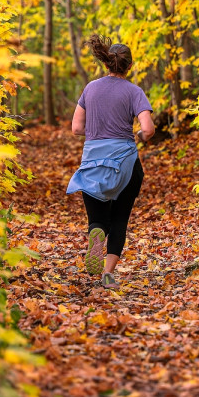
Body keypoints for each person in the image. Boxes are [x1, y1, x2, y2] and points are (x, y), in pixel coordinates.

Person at [66, 36, 156, 289]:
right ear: (129, 65)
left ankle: (96, 235)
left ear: (107, 63)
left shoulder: (90, 89)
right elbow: (148, 129)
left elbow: (76, 128)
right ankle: (108, 274)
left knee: (98, 218)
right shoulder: (134, 92)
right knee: (120, 218)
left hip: (94, 160)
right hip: (126, 163)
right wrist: (137, 135)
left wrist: (97, 130)